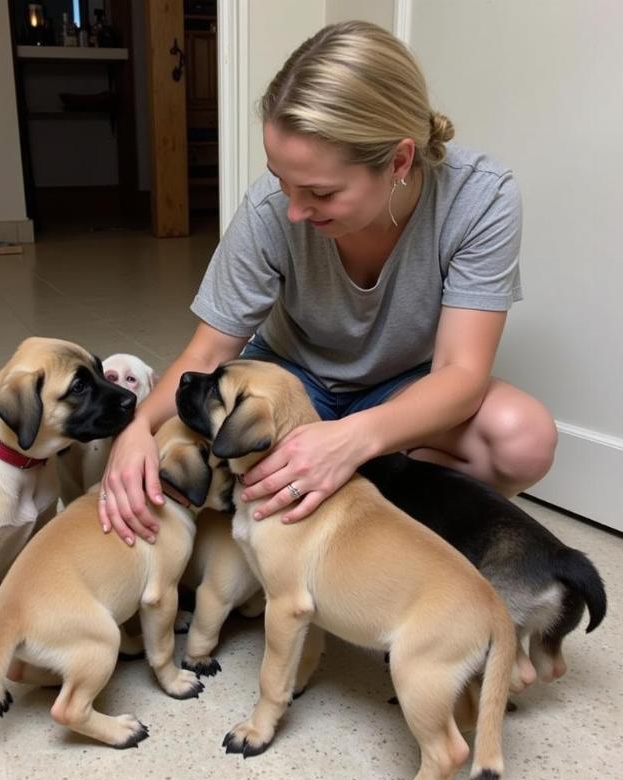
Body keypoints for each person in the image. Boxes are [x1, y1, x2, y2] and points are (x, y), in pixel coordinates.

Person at [99, 20, 557, 546]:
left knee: (522, 439)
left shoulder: (481, 198)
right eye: (280, 180)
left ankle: (370, 523)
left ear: (399, 161)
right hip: (290, 382)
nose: (293, 210)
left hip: (405, 389)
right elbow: (206, 354)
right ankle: (331, 502)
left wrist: (349, 441)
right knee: (173, 458)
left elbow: (460, 373)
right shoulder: (270, 211)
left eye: (319, 191)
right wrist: (137, 429)